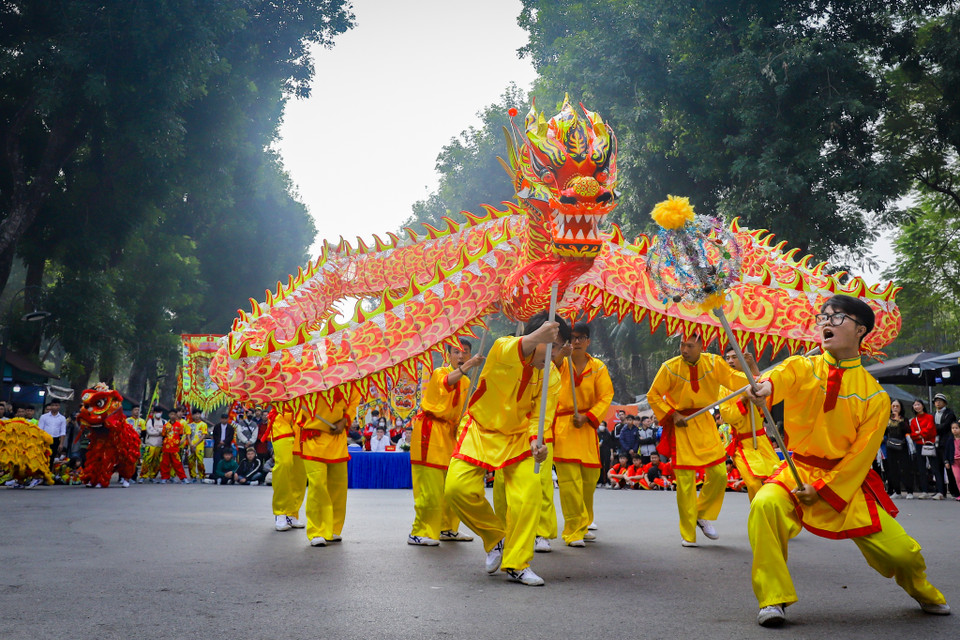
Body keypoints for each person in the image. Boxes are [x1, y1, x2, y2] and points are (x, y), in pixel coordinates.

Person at [746, 294, 948, 627]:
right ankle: (773, 598)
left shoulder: (875, 396)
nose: (826, 322)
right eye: (823, 317)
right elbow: (779, 377)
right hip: (796, 471)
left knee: (903, 554)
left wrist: (823, 489)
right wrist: (764, 387)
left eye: (836, 317)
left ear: (860, 330)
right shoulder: (802, 366)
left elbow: (860, 457)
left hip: (844, 482)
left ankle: (922, 589)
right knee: (765, 504)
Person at [443, 311, 566, 586]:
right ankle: (495, 536)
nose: (555, 354)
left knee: (528, 495)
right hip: (480, 429)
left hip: (519, 437)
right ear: (537, 337)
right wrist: (538, 336)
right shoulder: (503, 348)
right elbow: (515, 349)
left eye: (559, 349)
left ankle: (517, 563)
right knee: (456, 489)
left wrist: (536, 441)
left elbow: (541, 416)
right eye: (553, 345)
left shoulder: (552, 377)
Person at [646, 334, 752, 547]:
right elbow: (653, 395)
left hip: (705, 423)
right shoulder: (669, 367)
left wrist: (755, 377)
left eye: (690, 345)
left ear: (701, 346)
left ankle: (700, 513)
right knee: (685, 482)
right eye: (682, 345)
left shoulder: (714, 362)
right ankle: (688, 534)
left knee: (719, 474)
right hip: (681, 425)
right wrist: (673, 414)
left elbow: (734, 379)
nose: (684, 350)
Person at [408, 338, 482, 546]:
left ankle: (447, 528)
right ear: (448, 355)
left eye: (465, 352)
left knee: (450, 485)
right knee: (430, 488)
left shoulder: (467, 383)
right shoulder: (439, 373)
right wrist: (470, 365)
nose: (461, 355)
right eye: (456, 352)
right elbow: (448, 382)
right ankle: (419, 531)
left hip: (450, 433)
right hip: (430, 432)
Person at [552, 321, 614, 549]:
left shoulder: (598, 367)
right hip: (564, 426)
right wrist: (561, 356)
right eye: (572, 337)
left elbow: (606, 396)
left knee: (589, 479)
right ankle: (573, 530)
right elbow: (546, 375)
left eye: (581, 338)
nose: (576, 342)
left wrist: (588, 417)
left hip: (587, 428)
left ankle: (584, 523)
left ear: (588, 341)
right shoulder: (560, 362)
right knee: (570, 482)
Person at [296, 387, 362, 546]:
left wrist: (345, 420)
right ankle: (317, 530)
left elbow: (354, 400)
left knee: (338, 486)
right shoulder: (305, 379)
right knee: (317, 484)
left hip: (337, 438)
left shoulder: (346, 380)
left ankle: (332, 527)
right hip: (313, 437)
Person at [718, 347, 781, 501]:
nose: (730, 361)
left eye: (735, 357)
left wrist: (752, 365)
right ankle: (758, 512)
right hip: (743, 444)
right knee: (753, 484)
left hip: (761, 440)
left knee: (777, 479)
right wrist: (744, 398)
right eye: (728, 358)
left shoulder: (752, 380)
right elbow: (728, 416)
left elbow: (765, 400)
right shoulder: (724, 388)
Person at [269, 409, 306, 531]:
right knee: (284, 464)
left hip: (302, 422)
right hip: (281, 421)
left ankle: (292, 513)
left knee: (299, 471)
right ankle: (281, 511)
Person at [908, 400, 939, 499]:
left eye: (918, 404)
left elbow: (931, 430)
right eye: (915, 405)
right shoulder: (913, 420)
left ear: (922, 406)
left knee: (934, 468)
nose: (917, 406)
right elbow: (912, 435)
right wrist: (920, 434)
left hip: (929, 443)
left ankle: (940, 491)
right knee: (921, 469)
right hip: (919, 445)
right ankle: (924, 491)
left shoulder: (929, 417)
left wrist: (919, 433)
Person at [884, 399, 914, 499]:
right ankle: (897, 491)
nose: (895, 408)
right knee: (893, 469)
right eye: (893, 406)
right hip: (890, 446)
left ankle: (909, 491)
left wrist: (899, 420)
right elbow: (884, 431)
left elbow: (908, 430)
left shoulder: (904, 419)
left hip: (902, 446)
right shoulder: (887, 419)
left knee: (905, 468)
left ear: (901, 408)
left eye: (897, 406)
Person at [932, 393, 956, 497]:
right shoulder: (933, 414)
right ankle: (941, 490)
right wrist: (936, 427)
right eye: (936, 401)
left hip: (946, 443)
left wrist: (934, 428)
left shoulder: (949, 414)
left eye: (940, 401)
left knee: (949, 467)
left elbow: (946, 426)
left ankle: (954, 490)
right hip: (936, 443)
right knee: (938, 468)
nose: (938, 403)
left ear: (945, 403)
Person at [159, 408, 188, 483]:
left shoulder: (179, 425)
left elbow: (181, 435)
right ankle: (164, 478)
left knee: (177, 463)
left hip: (175, 448)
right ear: (169, 415)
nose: (173, 416)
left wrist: (180, 442)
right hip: (166, 447)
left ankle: (183, 478)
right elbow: (163, 435)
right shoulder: (165, 425)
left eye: (174, 414)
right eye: (171, 414)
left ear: (176, 415)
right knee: (165, 463)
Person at [38, 400, 67, 469]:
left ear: (59, 406)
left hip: (55, 440)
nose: (54, 407)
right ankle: (40, 472)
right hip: (44, 440)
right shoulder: (44, 417)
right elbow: (40, 430)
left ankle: (49, 472)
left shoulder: (62, 418)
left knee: (52, 457)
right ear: (50, 406)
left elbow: (63, 432)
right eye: (53, 405)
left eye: (56, 405)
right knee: (42, 457)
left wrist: (61, 444)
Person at [140, 408, 165, 482]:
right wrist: (160, 432)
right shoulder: (150, 421)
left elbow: (166, 431)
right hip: (150, 445)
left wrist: (157, 431)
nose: (158, 413)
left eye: (159, 411)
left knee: (156, 462)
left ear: (162, 412)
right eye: (156, 412)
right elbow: (150, 431)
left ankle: (153, 476)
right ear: (154, 413)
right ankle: (143, 476)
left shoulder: (164, 422)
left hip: (160, 445)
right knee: (147, 461)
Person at [185, 409, 208, 481]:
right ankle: (193, 476)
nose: (197, 416)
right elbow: (188, 435)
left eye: (198, 414)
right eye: (195, 414)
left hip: (199, 447)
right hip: (191, 446)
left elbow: (203, 435)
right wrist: (191, 444)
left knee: (200, 462)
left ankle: (202, 477)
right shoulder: (189, 425)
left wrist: (196, 444)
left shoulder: (203, 424)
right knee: (191, 462)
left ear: (200, 415)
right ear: (192, 415)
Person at [945, 422, 960, 502]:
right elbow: (946, 452)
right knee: (957, 478)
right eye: (953, 428)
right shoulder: (950, 440)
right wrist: (946, 461)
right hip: (954, 462)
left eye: (956, 428)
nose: (954, 430)